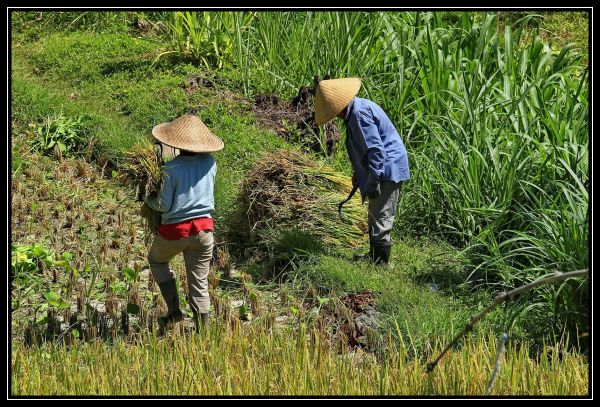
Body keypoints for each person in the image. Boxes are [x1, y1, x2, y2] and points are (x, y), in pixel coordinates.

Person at [314, 77, 410, 265]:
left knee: (380, 216)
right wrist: (360, 175)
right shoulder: (357, 109)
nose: (334, 116)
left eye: (333, 112)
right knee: (375, 214)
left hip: (386, 168)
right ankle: (374, 258)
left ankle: (380, 265)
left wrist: (373, 180)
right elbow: (364, 150)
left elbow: (376, 150)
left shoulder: (358, 115)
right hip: (382, 167)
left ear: (339, 106)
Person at [144, 114, 223, 333]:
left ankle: (174, 310)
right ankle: (203, 331)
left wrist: (147, 199)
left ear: (176, 144)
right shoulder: (210, 162)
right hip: (205, 231)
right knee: (199, 281)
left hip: (175, 231)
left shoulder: (171, 169)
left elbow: (163, 205)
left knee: (157, 261)